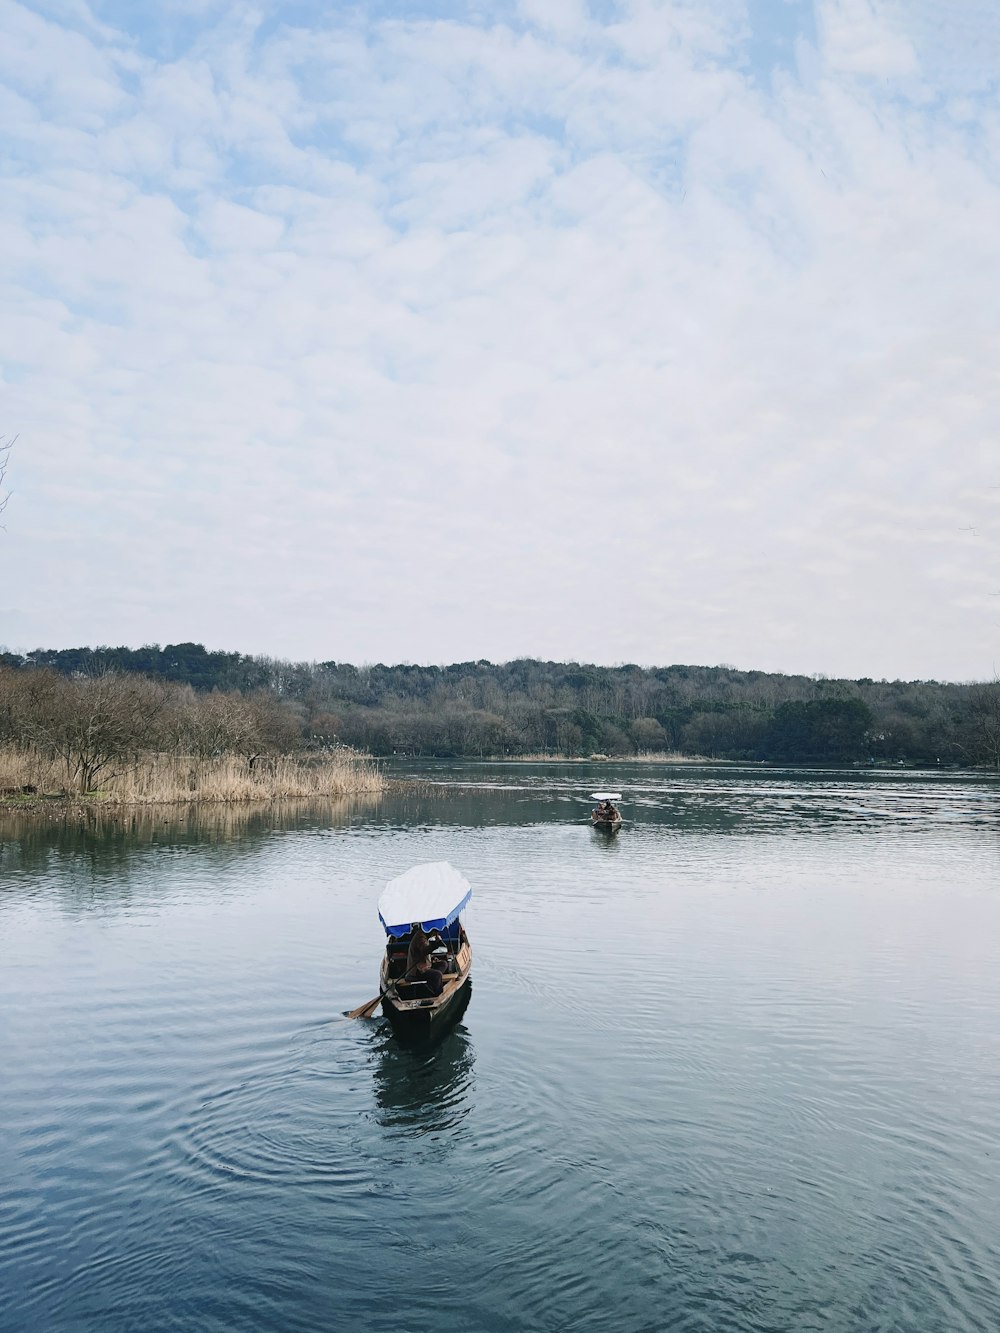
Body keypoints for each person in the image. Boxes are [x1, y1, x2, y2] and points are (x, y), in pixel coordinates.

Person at [405, 923, 444, 997]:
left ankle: (432, 983)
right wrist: (436, 944)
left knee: (443, 964)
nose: (436, 934)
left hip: (425, 966)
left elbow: (424, 953)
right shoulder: (420, 937)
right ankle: (437, 995)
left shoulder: (424, 936)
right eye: (435, 932)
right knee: (438, 975)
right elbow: (425, 950)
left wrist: (432, 959)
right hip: (417, 970)